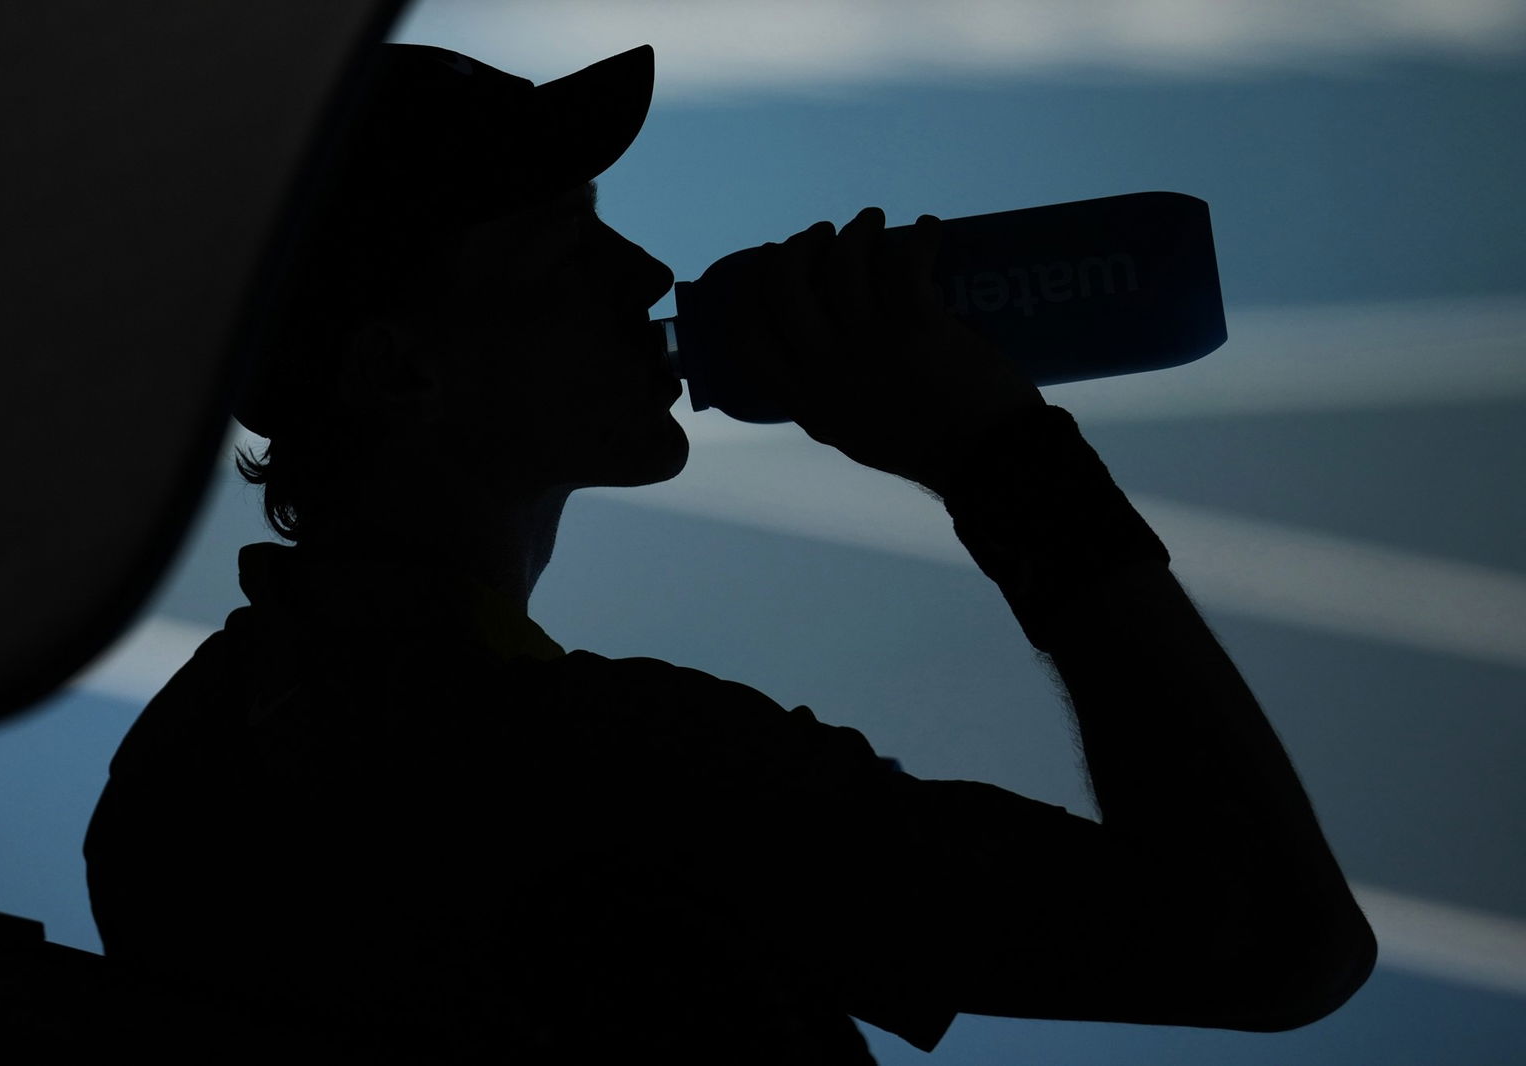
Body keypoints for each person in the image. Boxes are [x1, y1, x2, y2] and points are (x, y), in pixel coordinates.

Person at [84, 42, 1376, 1063]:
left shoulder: (190, 763)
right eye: (557, 245)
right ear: (399, 366)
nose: (642, 266)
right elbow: (1273, 938)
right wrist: (995, 456)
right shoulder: (575, 756)